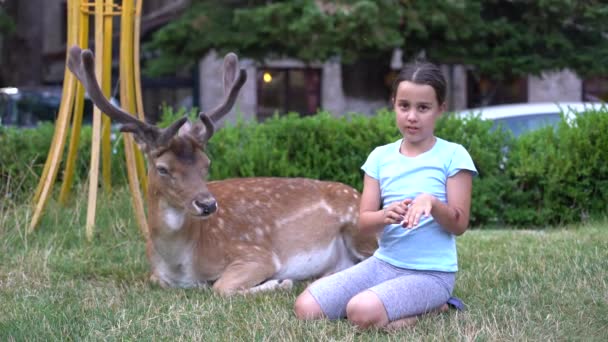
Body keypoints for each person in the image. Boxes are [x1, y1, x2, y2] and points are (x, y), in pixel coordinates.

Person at [293, 59, 477, 330]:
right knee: (306, 308)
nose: (412, 116)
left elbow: (459, 225)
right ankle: (384, 304)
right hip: (384, 265)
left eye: (423, 108)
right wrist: (384, 215)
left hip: (431, 275)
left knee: (359, 311)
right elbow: (365, 222)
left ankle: (438, 306)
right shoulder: (380, 157)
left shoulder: (453, 155)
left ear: (441, 109)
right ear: (394, 104)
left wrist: (432, 204)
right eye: (404, 106)